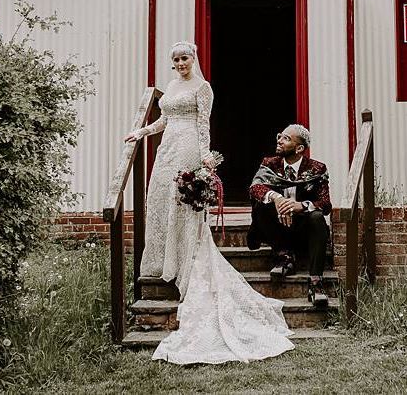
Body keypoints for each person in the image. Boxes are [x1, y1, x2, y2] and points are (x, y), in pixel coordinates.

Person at [125, 41, 293, 364]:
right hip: (167, 147)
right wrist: (141, 132)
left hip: (188, 146)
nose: (180, 62)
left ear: (193, 59)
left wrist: (205, 161)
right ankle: (164, 262)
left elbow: (203, 125)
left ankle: (188, 265)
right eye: (175, 58)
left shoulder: (203, 88)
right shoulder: (171, 87)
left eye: (184, 57)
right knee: (161, 200)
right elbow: (164, 121)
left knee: (183, 205)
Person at [247, 125, 332, 307]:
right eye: (279, 136)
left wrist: (299, 206)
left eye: (286, 138)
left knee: (317, 217)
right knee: (261, 205)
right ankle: (284, 257)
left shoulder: (317, 168)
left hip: (302, 229)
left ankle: (316, 282)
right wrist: (277, 199)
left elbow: (325, 204)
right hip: (277, 228)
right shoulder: (269, 163)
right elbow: (255, 188)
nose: (279, 140)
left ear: (299, 148)